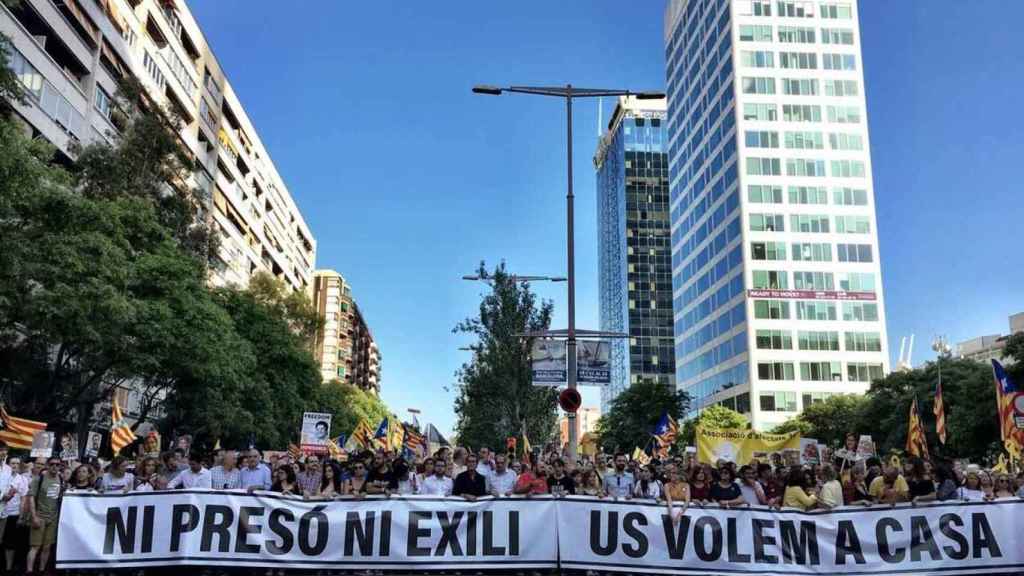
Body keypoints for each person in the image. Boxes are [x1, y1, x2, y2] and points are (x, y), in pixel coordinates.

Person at [26, 457, 63, 574]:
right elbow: (31, 498)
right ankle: (29, 571)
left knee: (47, 547)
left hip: (53, 517)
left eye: (57, 465)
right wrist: (34, 516)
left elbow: (62, 495)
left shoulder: (61, 479)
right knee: (35, 547)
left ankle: (42, 570)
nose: (55, 467)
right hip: (39, 516)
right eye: (52, 464)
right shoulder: (39, 479)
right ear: (47, 465)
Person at [2, 457, 29, 572]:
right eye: (12, 463)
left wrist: (21, 516)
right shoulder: (2, 477)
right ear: (8, 464)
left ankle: (8, 568)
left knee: (10, 543)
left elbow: (23, 499)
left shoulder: (23, 480)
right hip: (0, 513)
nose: (15, 465)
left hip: (13, 514)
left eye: (17, 463)